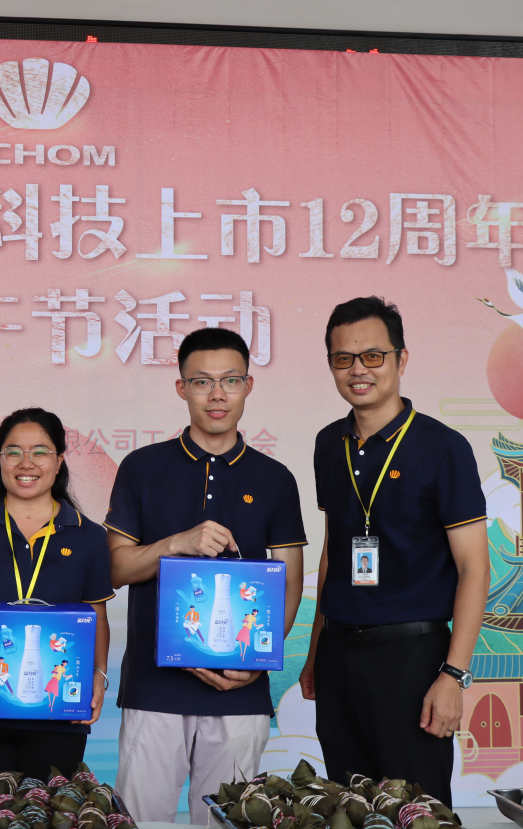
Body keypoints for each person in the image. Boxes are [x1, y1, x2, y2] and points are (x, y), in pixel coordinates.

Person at [105, 327, 305, 826]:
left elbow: (290, 582)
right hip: (154, 688)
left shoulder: (276, 478)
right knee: (140, 821)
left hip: (240, 692)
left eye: (230, 380)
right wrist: (175, 543)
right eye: (202, 381)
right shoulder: (141, 467)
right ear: (182, 388)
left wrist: (257, 663)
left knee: (227, 822)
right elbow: (115, 568)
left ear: (248, 386)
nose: (217, 394)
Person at [299, 296, 490, 806]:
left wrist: (453, 675)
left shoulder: (444, 448)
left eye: (373, 356)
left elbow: (474, 567)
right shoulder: (328, 444)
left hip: (412, 659)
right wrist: (316, 649)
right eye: (343, 358)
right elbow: (333, 550)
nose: (358, 370)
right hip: (338, 655)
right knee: (349, 806)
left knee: (415, 809)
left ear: (401, 360)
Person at [0, 407, 114, 779]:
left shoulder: (88, 535)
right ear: (0, 458)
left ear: (59, 460)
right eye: (13, 452)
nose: (26, 463)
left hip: (58, 712)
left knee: (48, 806)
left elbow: (96, 615)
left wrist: (99, 675)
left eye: (40, 452)